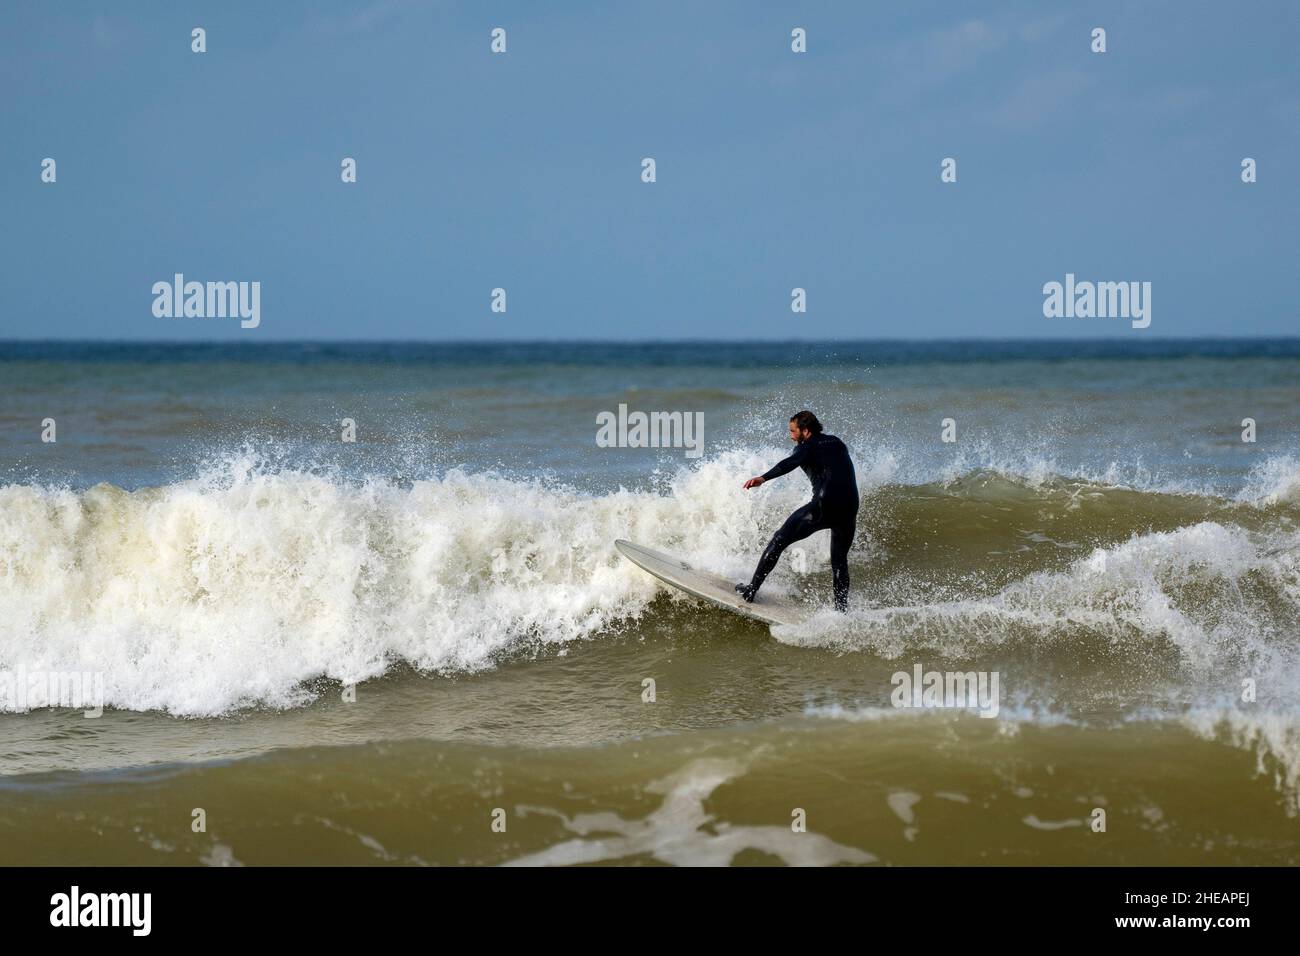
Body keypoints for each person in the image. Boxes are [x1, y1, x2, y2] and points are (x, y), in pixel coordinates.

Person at [736, 411, 859, 612]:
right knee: (839, 562)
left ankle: (751, 589)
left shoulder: (805, 447)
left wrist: (763, 478)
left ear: (805, 431)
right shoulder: (837, 442)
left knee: (779, 540)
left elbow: (789, 464)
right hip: (850, 507)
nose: (791, 435)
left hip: (824, 506)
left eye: (793, 431)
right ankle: (841, 612)